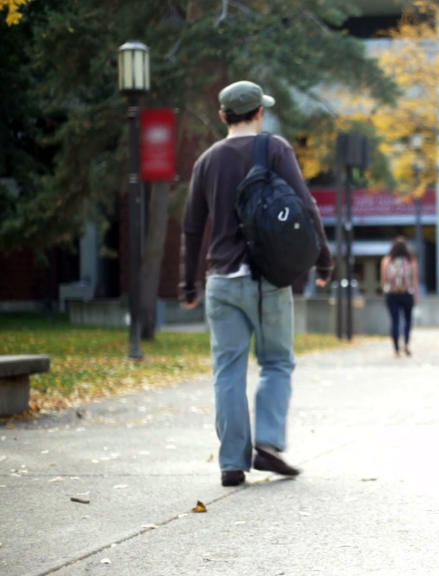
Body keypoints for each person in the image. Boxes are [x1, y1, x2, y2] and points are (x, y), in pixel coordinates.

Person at [178, 81, 332, 487]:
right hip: (268, 279)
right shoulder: (275, 148)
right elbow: (305, 205)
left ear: (223, 115)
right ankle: (267, 445)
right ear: (259, 113)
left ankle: (231, 462)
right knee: (277, 361)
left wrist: (187, 283)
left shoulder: (206, 161)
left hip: (221, 282)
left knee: (227, 370)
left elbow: (192, 228)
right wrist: (323, 258)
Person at [380, 237, 419, 358]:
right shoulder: (411, 260)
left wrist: (384, 292)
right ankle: (406, 344)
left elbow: (383, 280)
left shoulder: (387, 260)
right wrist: (416, 295)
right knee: (407, 320)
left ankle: (396, 349)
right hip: (406, 293)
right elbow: (415, 280)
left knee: (394, 321)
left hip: (392, 294)